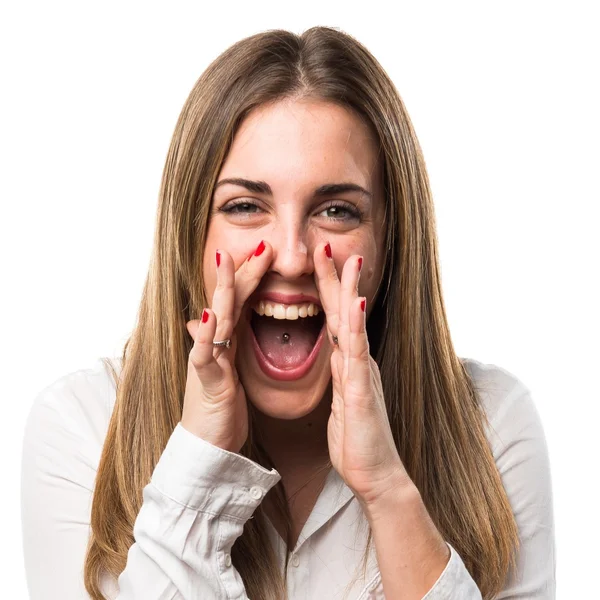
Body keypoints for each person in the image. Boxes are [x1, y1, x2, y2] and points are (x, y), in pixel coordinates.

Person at [21, 26, 555, 600]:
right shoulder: (81, 426)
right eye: (246, 206)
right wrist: (200, 467)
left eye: (337, 210)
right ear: (190, 236)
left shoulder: (492, 424)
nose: (295, 257)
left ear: (389, 244)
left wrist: (387, 491)